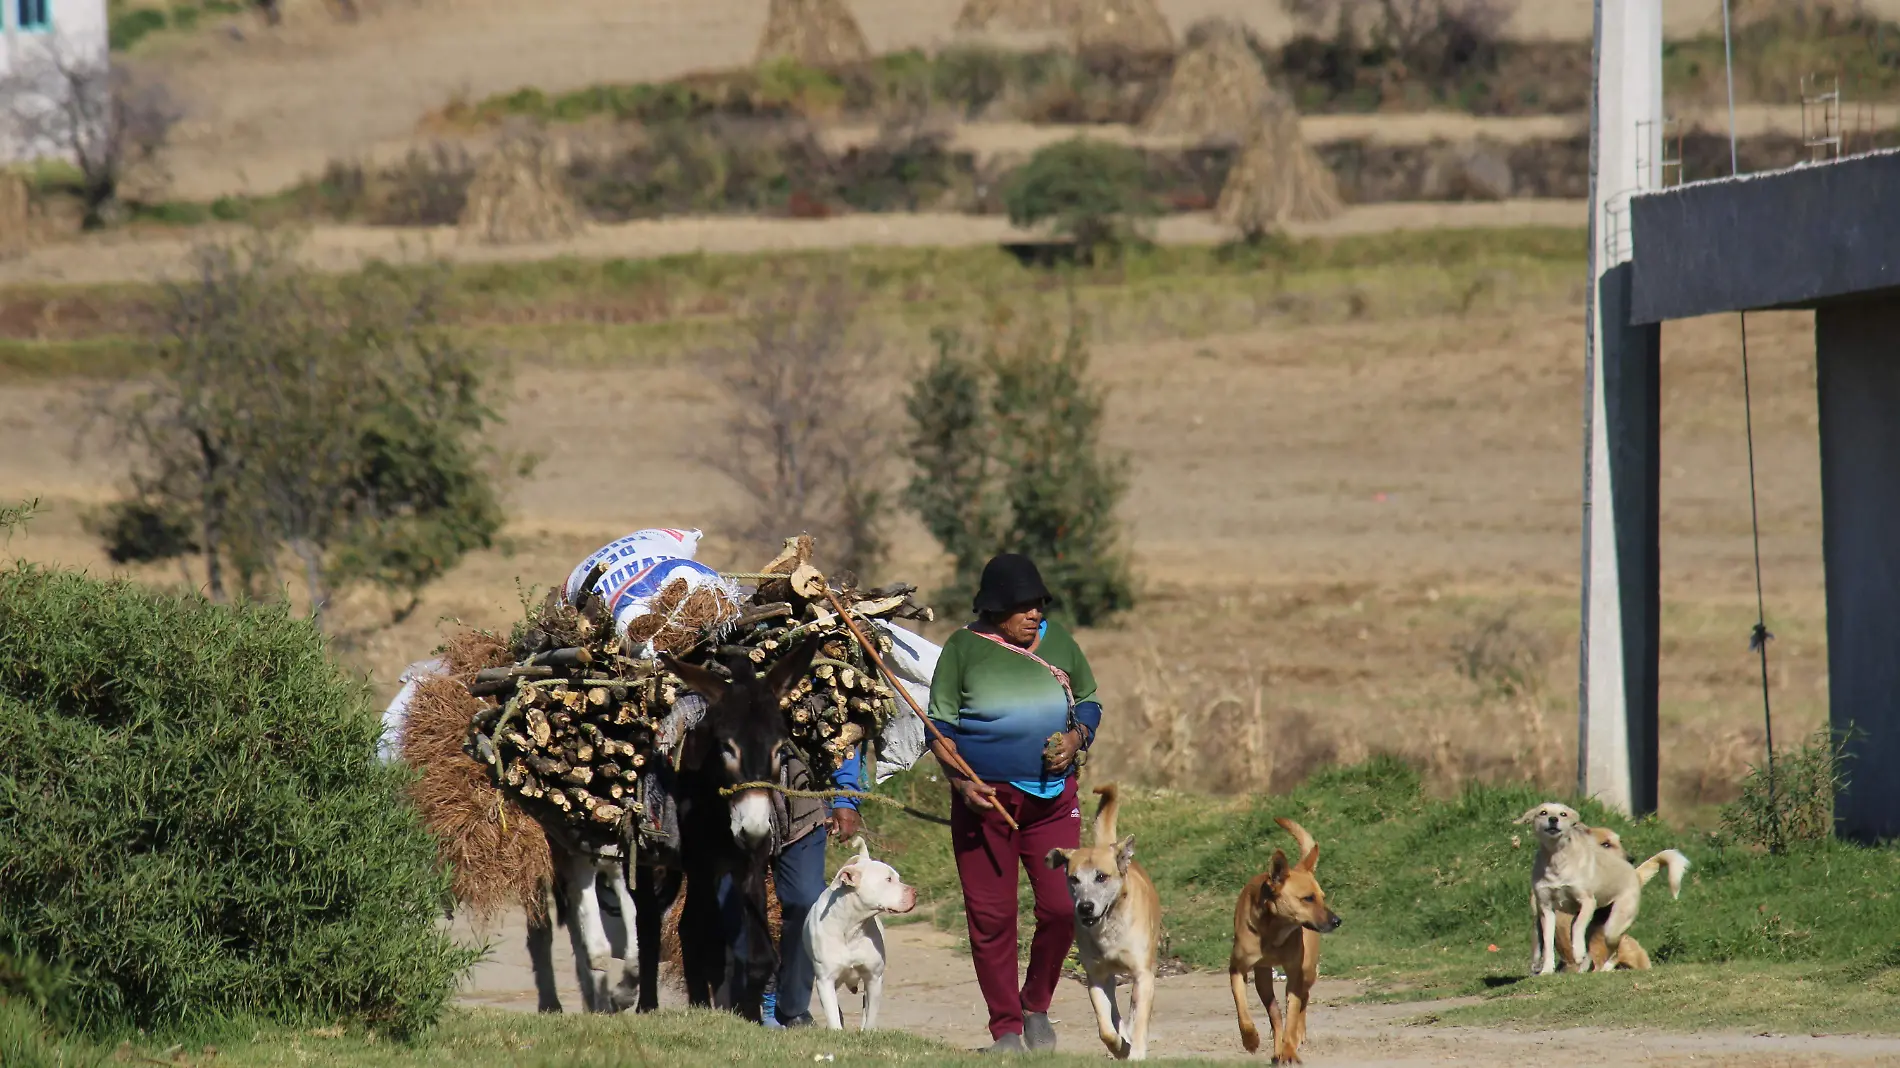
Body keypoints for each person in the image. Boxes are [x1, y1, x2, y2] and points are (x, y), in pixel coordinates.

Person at [927, 553, 1102, 1054]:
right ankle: (1006, 1028)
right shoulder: (963, 648)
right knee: (992, 917)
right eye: (1022, 606)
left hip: (1052, 799)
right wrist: (962, 784)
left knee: (1063, 905)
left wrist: (1076, 737)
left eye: (1038, 604)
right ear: (995, 608)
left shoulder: (1059, 640)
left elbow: (1088, 699)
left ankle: (1036, 1005)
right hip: (987, 802)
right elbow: (937, 726)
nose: (1033, 614)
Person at [716, 740, 864, 1027]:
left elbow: (842, 732)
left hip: (800, 806)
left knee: (807, 900)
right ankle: (744, 998)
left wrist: (846, 797)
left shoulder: (806, 696)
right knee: (732, 901)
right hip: (734, 806)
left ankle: (792, 1006)